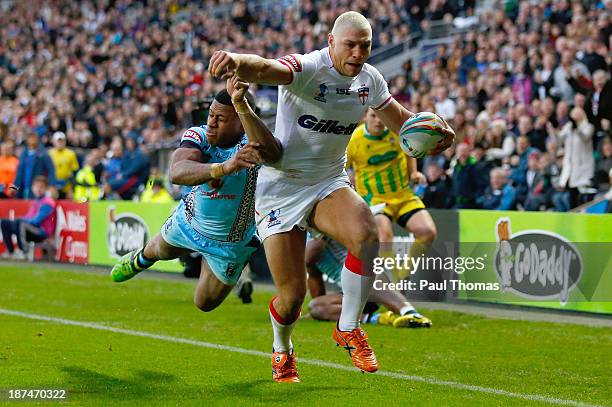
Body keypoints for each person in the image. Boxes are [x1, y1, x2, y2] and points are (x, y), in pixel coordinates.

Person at [208, 10, 454, 381]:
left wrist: (439, 134)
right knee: (292, 300)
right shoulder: (307, 68)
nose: (358, 53)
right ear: (331, 43)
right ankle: (283, 349)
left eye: (365, 46)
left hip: (328, 181)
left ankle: (349, 326)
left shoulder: (370, 81)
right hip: (282, 187)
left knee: (367, 235)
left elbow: (404, 123)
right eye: (350, 45)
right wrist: (237, 61)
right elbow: (263, 67)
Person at [110, 79, 281, 326]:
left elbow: (274, 153)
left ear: (241, 122)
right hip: (188, 222)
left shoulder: (254, 145)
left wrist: (243, 107)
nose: (211, 122)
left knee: (205, 303)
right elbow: (177, 171)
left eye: (220, 118)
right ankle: (139, 260)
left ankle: (214, 262)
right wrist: (222, 168)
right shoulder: (198, 135)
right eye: (211, 115)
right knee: (159, 251)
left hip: (229, 242)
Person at [346, 108, 437, 287]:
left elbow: (410, 151)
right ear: (365, 117)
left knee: (427, 233)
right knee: (384, 237)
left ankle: (402, 277)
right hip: (375, 200)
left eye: (381, 116)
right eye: (373, 116)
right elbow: (341, 167)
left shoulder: (397, 132)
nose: (379, 121)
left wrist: (414, 172)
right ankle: (395, 285)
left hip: (403, 195)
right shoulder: (354, 140)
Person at [305, 233, 432, 328]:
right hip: (352, 294)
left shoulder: (321, 227)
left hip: (373, 275)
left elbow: (309, 256)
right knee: (316, 307)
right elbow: (314, 276)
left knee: (365, 280)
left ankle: (411, 313)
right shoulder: (305, 237)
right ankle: (377, 318)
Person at [1, 176, 56, 260]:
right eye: (36, 187)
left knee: (20, 223)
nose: (38, 189)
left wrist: (20, 220)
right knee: (5, 222)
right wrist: (18, 220)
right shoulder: (36, 201)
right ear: (32, 188)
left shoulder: (48, 203)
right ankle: (11, 251)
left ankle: (23, 252)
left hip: (41, 232)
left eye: (41, 187)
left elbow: (36, 221)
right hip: (30, 228)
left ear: (46, 189)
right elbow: (28, 217)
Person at [13, 133, 56, 199]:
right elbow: (19, 172)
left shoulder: (43, 153)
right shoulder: (24, 154)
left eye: (34, 138)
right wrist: (14, 187)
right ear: (27, 140)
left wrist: (51, 185)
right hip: (22, 187)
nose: (32, 140)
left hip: (37, 188)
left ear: (38, 140)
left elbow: (51, 169)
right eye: (30, 138)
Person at [48, 131, 80, 199]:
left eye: (62, 141)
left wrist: (72, 188)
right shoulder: (49, 153)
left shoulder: (71, 154)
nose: (60, 143)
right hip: (53, 185)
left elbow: (75, 171)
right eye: (58, 141)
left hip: (67, 185)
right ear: (53, 141)